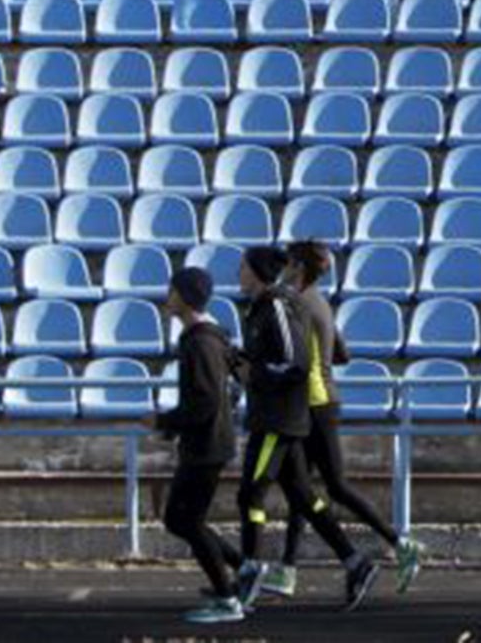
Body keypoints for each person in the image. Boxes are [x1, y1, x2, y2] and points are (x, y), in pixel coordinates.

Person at [266, 240, 426, 600]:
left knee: (330, 486)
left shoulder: (296, 303)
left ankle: (399, 543)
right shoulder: (319, 302)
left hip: (311, 404)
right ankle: (287, 570)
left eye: (289, 263)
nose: (284, 268)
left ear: (298, 267)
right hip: (323, 400)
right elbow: (342, 354)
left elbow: (295, 357)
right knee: (300, 489)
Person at [232, 244, 380, 612]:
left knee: (250, 494)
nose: (238, 273)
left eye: (243, 267)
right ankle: (355, 561)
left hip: (277, 419)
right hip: (273, 414)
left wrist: (255, 373)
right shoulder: (259, 308)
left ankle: (249, 573)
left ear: (257, 271)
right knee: (302, 496)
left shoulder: (278, 305)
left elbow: (293, 363)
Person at [157, 266, 247, 625]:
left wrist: (164, 421)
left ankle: (228, 597)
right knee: (184, 519)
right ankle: (246, 570)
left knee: (183, 520)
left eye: (172, 290)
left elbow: (206, 401)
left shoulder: (201, 341)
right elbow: (232, 384)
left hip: (206, 443)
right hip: (210, 441)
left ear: (183, 295)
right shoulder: (209, 337)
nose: (168, 296)